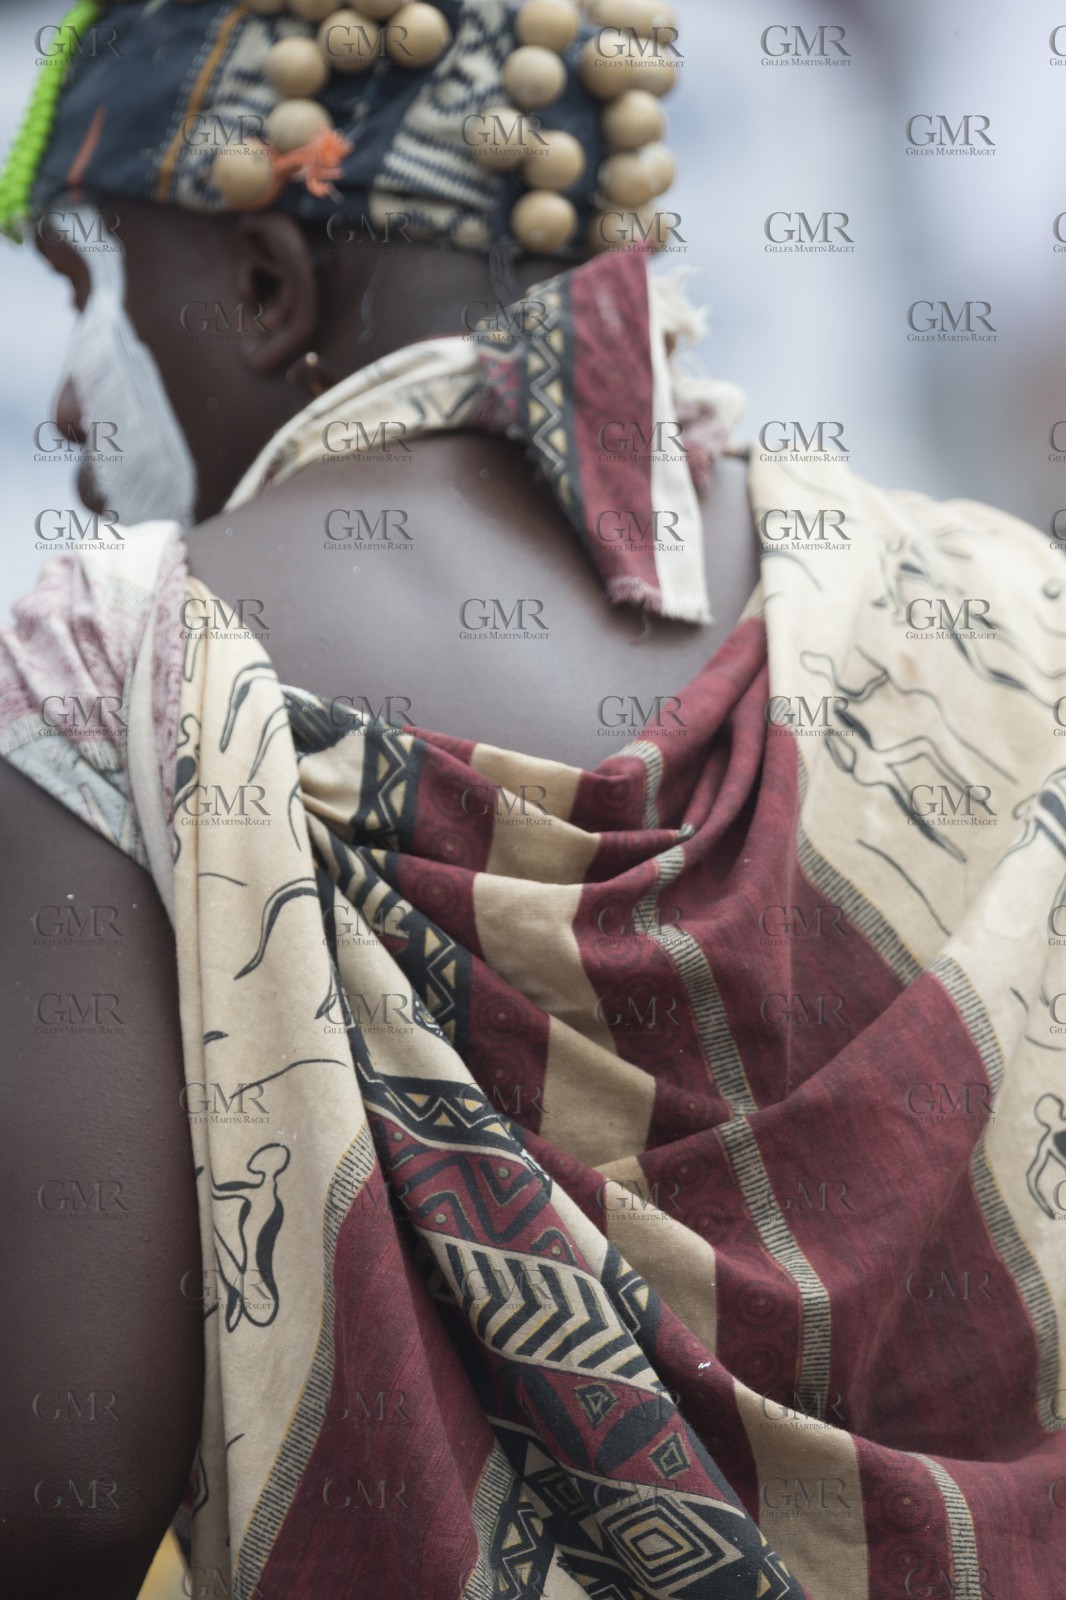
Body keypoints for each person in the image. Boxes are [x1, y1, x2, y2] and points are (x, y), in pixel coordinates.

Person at [0, 3, 1062, 1598]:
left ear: (266, 285)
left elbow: (63, 1489)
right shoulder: (990, 609)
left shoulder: (111, 679)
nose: (69, 411)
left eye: (86, 293)